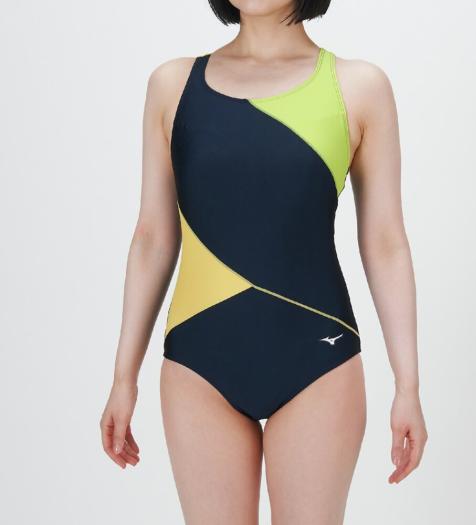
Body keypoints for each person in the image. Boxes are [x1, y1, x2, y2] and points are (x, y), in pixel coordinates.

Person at [100, 1, 428, 522]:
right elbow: (152, 238)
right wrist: (124, 378)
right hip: (199, 366)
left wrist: (407, 386)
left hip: (318, 363)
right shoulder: (172, 85)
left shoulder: (358, 86)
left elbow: (385, 241)